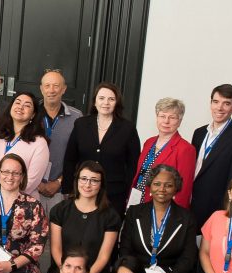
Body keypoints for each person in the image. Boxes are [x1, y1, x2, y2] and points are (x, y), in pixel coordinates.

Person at [119, 165, 198, 273]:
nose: (162, 189)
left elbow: (188, 258)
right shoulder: (134, 213)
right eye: (157, 184)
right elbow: (125, 249)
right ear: (150, 186)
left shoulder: (187, 218)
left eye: (168, 185)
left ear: (176, 189)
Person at [47, 161, 121, 273]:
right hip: (62, 270)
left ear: (101, 185)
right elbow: (56, 249)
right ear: (77, 181)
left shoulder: (110, 216)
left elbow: (104, 257)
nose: (87, 185)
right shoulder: (60, 210)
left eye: (94, 181)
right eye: (84, 179)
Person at [62, 82, 141, 210]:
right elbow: (70, 159)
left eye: (111, 99)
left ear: (117, 103)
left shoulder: (128, 128)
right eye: (101, 98)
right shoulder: (81, 124)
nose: (106, 103)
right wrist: (67, 189)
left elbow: (133, 165)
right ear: (94, 101)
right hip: (83, 192)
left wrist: (129, 194)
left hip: (114, 194)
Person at [190, 84, 232, 228]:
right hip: (190, 208)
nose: (219, 108)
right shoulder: (199, 133)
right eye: (216, 102)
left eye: (226, 103)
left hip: (216, 212)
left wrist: (225, 217)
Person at [0, 91, 49, 198]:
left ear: (33, 114)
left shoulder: (39, 143)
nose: (20, 107)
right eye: (17, 103)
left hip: (21, 203)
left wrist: (5, 198)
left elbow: (32, 180)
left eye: (27, 105)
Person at [128, 98, 195, 209]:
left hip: (162, 206)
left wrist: (175, 217)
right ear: (157, 117)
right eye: (162, 116)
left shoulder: (186, 149)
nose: (166, 121)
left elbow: (184, 189)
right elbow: (140, 174)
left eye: (172, 117)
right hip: (137, 200)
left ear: (180, 121)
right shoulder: (149, 142)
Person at [36, 70, 83, 215]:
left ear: (64, 89)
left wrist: (59, 182)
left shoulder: (77, 118)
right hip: (31, 187)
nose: (51, 90)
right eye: (47, 85)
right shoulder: (31, 113)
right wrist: (36, 183)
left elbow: (79, 154)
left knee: (58, 234)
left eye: (56, 86)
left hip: (61, 189)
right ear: (41, 88)